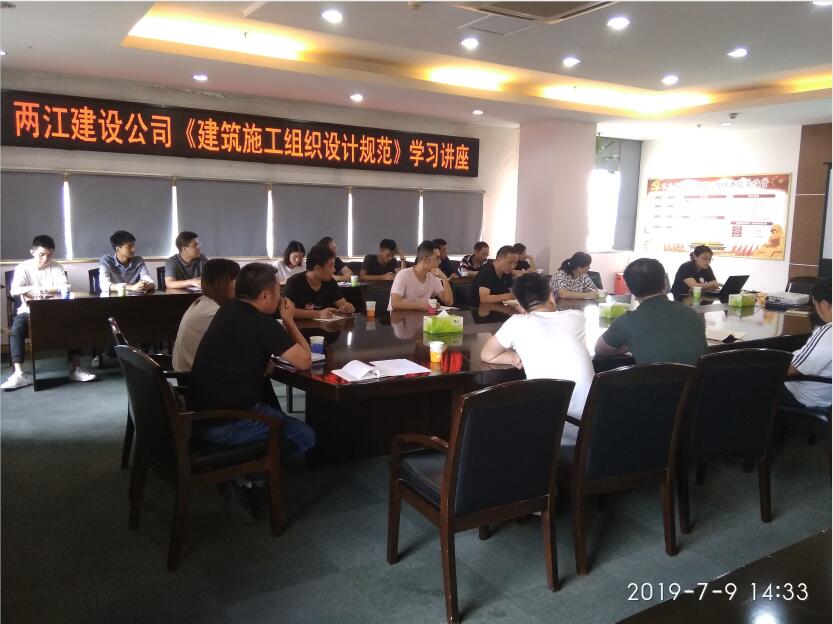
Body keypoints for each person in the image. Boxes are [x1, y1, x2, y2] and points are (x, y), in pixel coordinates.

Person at [188, 262, 315, 465]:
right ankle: (258, 474)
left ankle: (256, 467)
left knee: (275, 412)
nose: (281, 297)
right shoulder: (262, 323)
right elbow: (305, 361)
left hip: (199, 415)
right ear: (265, 296)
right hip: (227, 422)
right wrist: (289, 320)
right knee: (305, 436)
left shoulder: (228, 308)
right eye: (278, 292)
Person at [480, 272, 594, 418]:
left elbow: (487, 354)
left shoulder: (517, 323)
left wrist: (513, 358)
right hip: (591, 422)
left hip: (554, 424)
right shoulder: (577, 317)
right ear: (551, 297)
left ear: (520, 306)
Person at [2, 235, 97, 390]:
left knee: (74, 322)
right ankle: (19, 374)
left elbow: (64, 287)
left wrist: (37, 290)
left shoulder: (57, 267)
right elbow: (14, 291)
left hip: (54, 310)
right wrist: (34, 289)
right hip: (28, 312)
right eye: (41, 255)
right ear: (32, 252)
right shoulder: (23, 267)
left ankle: (75, 368)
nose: (45, 259)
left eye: (49, 255)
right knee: (16, 328)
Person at [595, 258, 707, 365]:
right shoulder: (692, 314)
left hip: (654, 379)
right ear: (665, 283)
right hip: (698, 378)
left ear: (629, 288)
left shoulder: (628, 322)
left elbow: (600, 349)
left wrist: (629, 343)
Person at [172, 258, 240, 372]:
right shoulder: (214, 312)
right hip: (195, 377)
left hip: (190, 372)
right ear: (227, 283)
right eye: (238, 280)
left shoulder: (204, 301)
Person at [780, 278, 831, 409]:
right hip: (827, 396)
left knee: (751, 382)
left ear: (825, 305)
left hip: (806, 398)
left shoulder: (828, 333)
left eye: (815, 305)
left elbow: (792, 369)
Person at [284, 245, 356, 319]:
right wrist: (318, 314)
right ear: (317, 268)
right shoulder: (294, 282)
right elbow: (287, 311)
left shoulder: (330, 282)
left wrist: (348, 308)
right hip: (298, 326)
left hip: (326, 325)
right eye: (331, 266)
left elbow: (343, 304)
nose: (334, 270)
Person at [388, 240, 453, 311]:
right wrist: (424, 305)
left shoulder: (433, 277)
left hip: (421, 317)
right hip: (399, 317)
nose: (440, 261)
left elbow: (449, 302)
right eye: (437, 258)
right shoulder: (403, 274)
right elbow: (395, 303)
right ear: (426, 259)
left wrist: (444, 278)